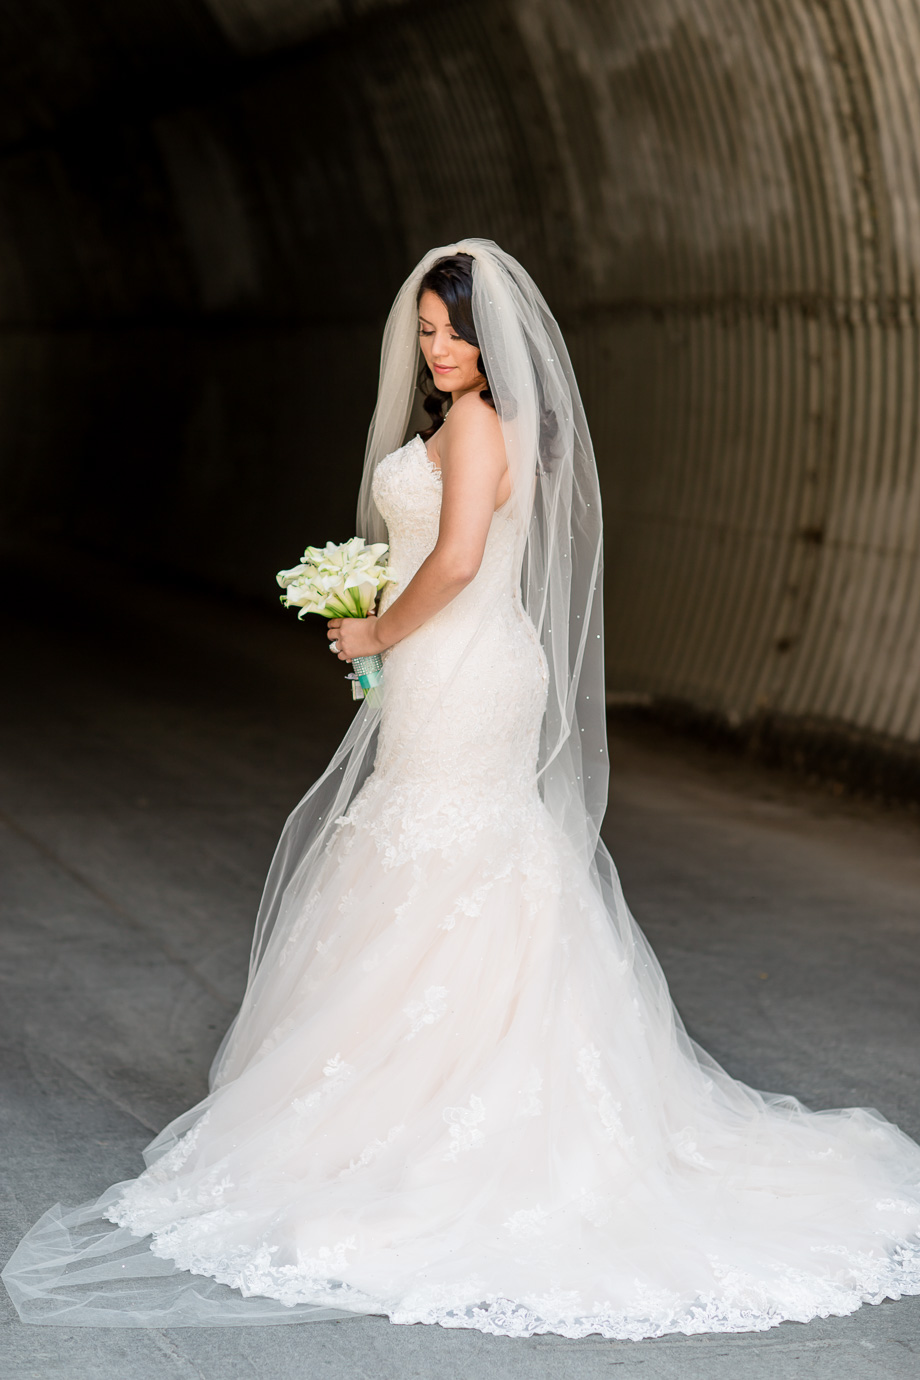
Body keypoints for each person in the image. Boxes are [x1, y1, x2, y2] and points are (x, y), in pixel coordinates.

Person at [4, 240, 920, 1340]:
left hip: (465, 661)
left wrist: (379, 625)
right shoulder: (459, 425)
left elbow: (454, 558)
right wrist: (376, 622)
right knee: (431, 849)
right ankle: (412, 1099)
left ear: (496, 340)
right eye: (426, 333)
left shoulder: (483, 428)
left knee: (454, 848)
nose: (437, 351)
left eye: (453, 332)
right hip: (443, 661)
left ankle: (458, 1111)